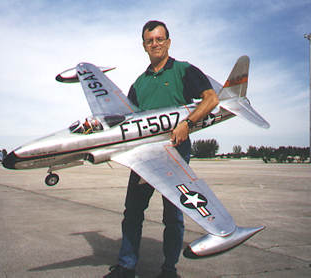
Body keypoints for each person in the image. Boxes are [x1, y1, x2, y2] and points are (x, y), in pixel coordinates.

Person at [104, 20, 219, 278]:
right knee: (132, 213)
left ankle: (169, 271)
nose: (155, 44)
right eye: (150, 40)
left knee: (173, 217)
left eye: (159, 39)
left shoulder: (184, 70)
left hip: (174, 154)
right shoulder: (140, 83)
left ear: (168, 41)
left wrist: (187, 124)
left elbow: (211, 99)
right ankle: (126, 267)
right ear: (144, 46)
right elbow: (127, 123)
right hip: (143, 157)